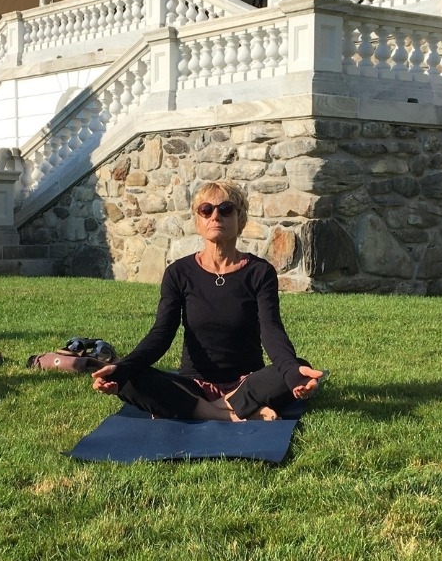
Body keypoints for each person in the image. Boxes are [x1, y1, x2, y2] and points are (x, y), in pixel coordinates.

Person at [92, 180, 323, 421]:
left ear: (240, 218)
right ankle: (229, 412)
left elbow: (271, 330)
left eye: (226, 209)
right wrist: (123, 369)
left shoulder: (259, 272)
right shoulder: (179, 273)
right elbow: (161, 334)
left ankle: (196, 409)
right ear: (198, 220)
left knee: (297, 366)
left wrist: (290, 370)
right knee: (130, 378)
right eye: (206, 210)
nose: (215, 216)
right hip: (194, 385)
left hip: (247, 383)